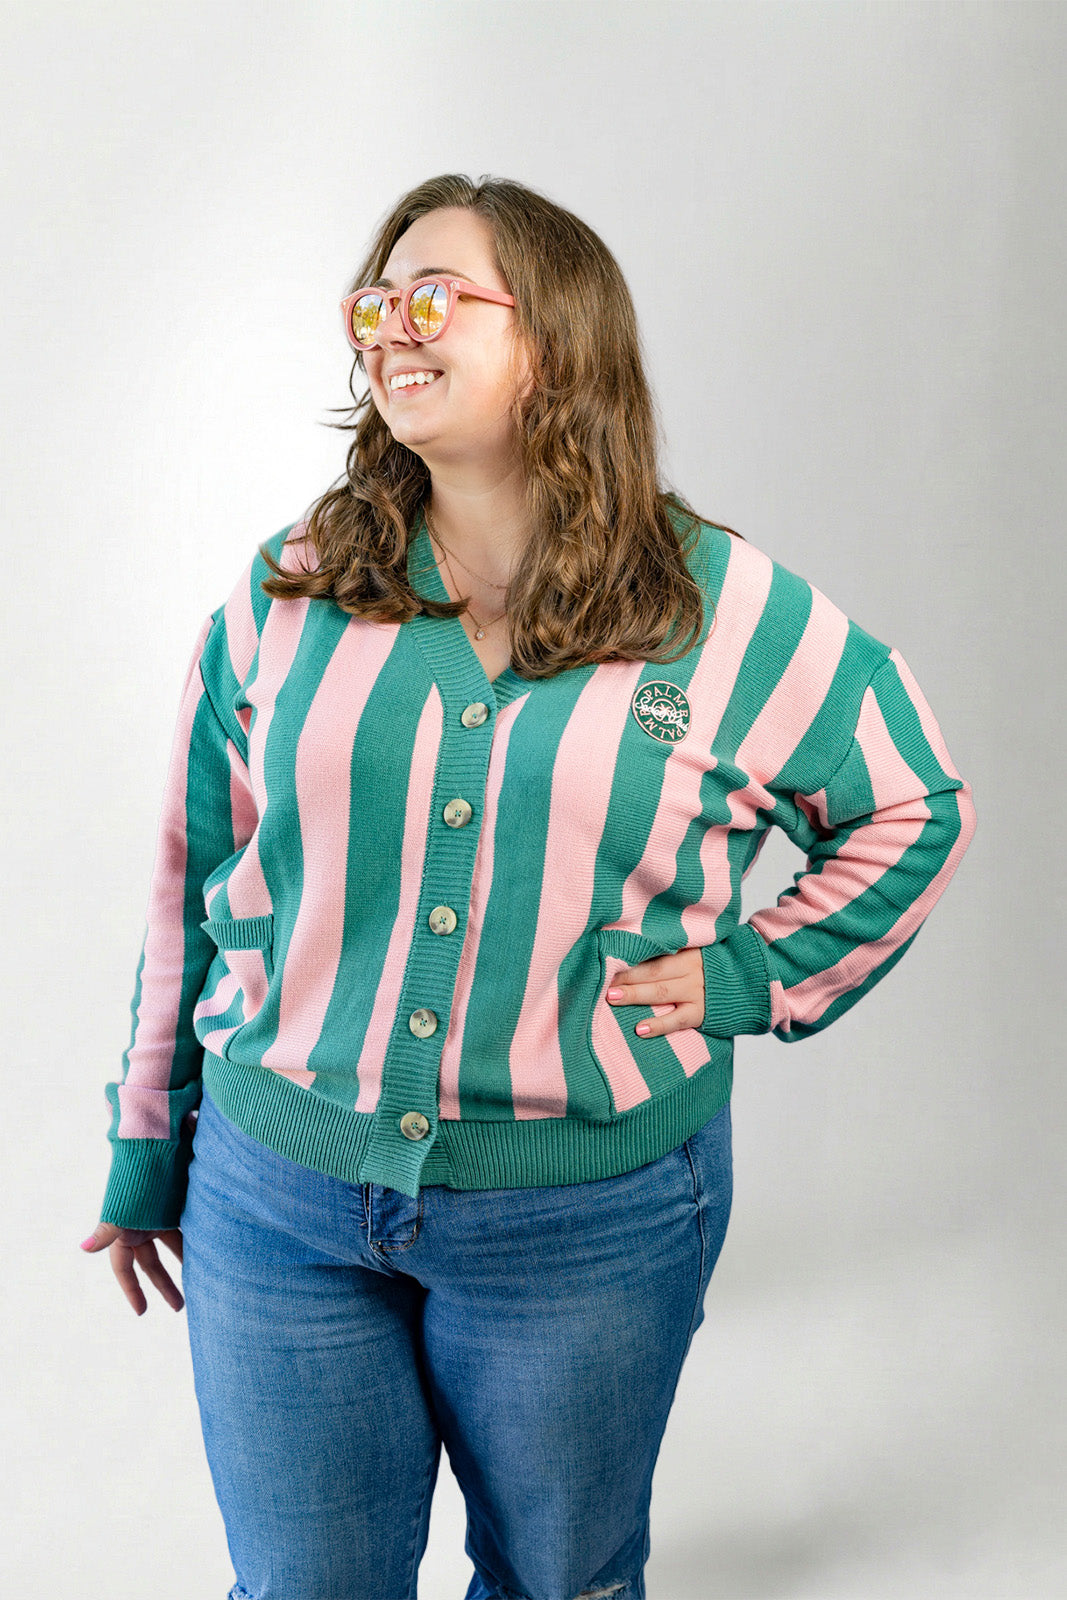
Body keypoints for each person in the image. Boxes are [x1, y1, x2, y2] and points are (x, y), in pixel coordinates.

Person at [80, 173, 977, 1600]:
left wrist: (754, 973)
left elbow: (913, 803)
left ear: (555, 339)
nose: (388, 330)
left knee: (560, 1586)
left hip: (589, 1218)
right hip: (281, 1201)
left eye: (432, 295)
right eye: (373, 304)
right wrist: (147, 1145)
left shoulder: (723, 610)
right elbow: (190, 881)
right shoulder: (290, 591)